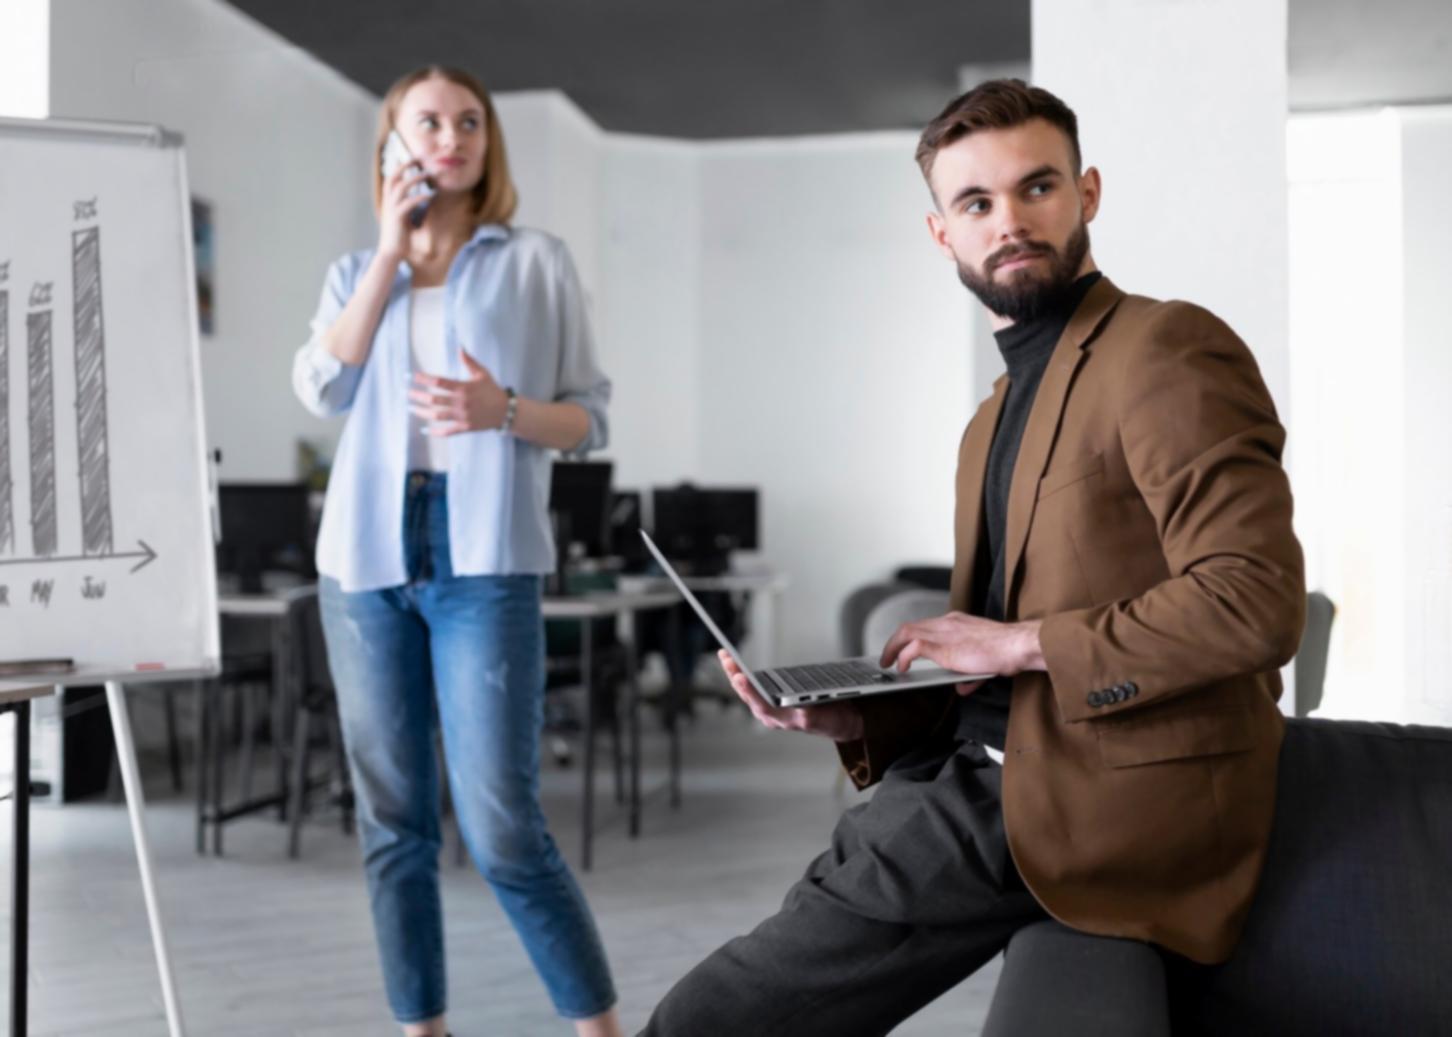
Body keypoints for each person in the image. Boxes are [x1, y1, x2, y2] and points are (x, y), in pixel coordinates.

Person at [642, 79, 1305, 1036]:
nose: (1011, 222)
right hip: (973, 774)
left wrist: (1019, 640)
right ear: (941, 232)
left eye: (1037, 188)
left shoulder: (1166, 348)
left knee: (704, 1019)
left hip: (1096, 798)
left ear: (1088, 193)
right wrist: (858, 717)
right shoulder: (989, 418)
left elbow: (1256, 601)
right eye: (976, 203)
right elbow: (994, 677)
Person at [292, 65, 622, 1037]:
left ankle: (599, 1027)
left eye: (469, 120)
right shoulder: (357, 273)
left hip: (485, 557)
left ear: (488, 143)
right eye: (428, 121)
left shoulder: (535, 262)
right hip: (363, 557)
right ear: (392, 145)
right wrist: (392, 250)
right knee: (392, 820)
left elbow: (589, 419)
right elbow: (322, 389)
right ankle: (421, 1027)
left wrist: (503, 410)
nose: (452, 134)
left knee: (503, 825)